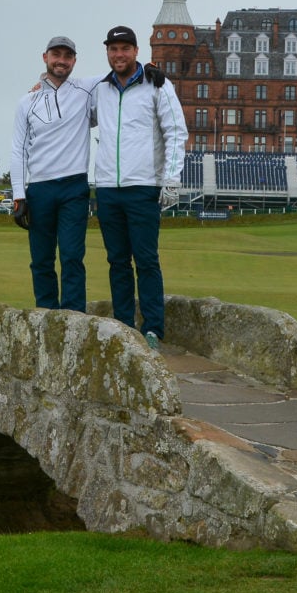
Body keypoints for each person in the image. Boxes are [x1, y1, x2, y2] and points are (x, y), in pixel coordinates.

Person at [92, 25, 188, 350]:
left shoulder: (157, 85)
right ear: (108, 52)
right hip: (107, 186)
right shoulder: (99, 90)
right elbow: (71, 111)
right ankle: (123, 326)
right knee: (117, 261)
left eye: (124, 48)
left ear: (136, 52)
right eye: (113, 49)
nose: (119, 54)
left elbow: (176, 131)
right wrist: (44, 86)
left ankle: (153, 329)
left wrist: (171, 178)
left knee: (146, 259)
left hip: (143, 185)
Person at [9, 36, 101, 311]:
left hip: (74, 186)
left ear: (74, 60)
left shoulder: (85, 89)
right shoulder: (27, 101)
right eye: (56, 55)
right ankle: (46, 316)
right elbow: (18, 150)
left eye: (67, 56)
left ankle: (73, 317)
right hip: (39, 188)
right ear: (45, 57)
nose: (61, 60)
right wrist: (18, 195)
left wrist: (149, 69)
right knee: (41, 259)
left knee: (72, 256)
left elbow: (121, 70)